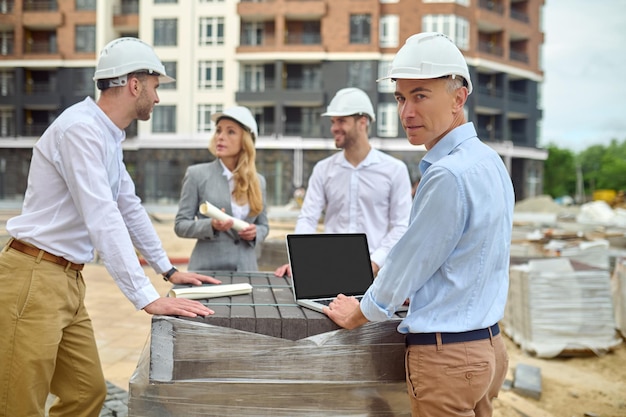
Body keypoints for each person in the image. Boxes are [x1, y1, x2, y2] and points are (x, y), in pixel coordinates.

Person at [0, 37, 221, 417]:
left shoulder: (107, 136)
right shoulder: (79, 130)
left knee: (87, 393)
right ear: (134, 84)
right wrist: (145, 296)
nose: (157, 97)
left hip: (67, 281)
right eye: (154, 86)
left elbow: (129, 207)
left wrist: (166, 269)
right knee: (19, 404)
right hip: (33, 279)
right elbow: (102, 214)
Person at [323, 32, 514, 417]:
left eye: (421, 96)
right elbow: (468, 256)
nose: (406, 112)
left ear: (459, 98)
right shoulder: (489, 161)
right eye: (400, 98)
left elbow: (406, 264)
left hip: (448, 358)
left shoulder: (447, 175)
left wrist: (358, 312)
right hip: (488, 346)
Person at [274, 87, 412, 277]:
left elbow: (401, 225)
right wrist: (299, 260)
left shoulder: (394, 170)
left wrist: (373, 263)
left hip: (378, 275)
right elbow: (308, 218)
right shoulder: (323, 170)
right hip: (331, 270)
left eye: (341, 121)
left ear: (362, 122)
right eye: (332, 121)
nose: (334, 128)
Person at [174, 106, 269, 271]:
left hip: (246, 271)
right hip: (207, 271)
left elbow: (264, 226)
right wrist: (211, 225)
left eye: (230, 132)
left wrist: (256, 233)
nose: (220, 137)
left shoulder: (259, 181)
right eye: (218, 131)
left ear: (245, 140)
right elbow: (180, 225)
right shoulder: (196, 175)